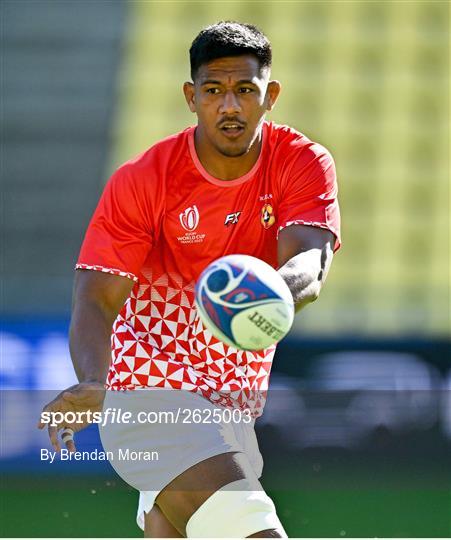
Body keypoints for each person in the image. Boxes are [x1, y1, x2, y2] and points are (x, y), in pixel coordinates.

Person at [38, 21, 340, 538]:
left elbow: (309, 263)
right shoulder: (144, 179)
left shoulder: (302, 163)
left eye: (245, 90)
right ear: (190, 96)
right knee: (253, 529)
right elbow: (95, 300)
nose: (230, 106)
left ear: (270, 96)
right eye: (214, 91)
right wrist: (98, 382)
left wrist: (265, 298)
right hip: (148, 394)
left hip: (231, 407)